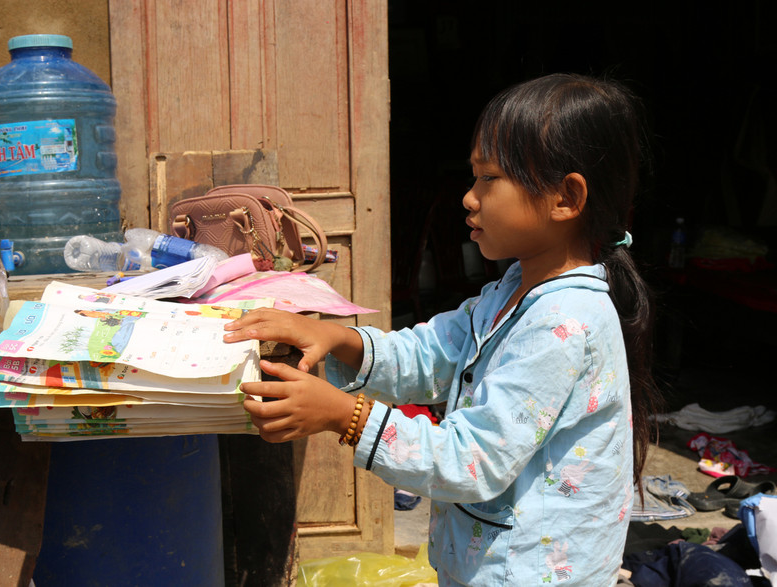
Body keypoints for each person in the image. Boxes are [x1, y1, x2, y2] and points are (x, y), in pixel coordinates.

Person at [223, 72, 661, 585]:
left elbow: (471, 459)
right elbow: (433, 351)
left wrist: (344, 415)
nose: (469, 198)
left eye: (489, 179)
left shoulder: (563, 324)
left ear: (566, 198)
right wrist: (338, 340)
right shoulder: (516, 286)